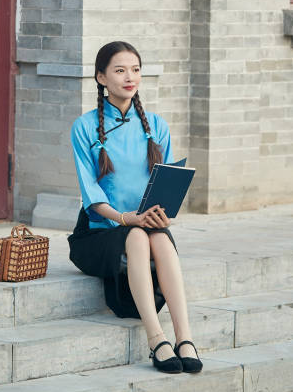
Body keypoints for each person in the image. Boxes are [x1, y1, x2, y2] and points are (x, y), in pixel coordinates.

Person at [68, 40, 202, 374]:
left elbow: (168, 184)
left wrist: (163, 213)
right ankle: (157, 339)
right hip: (99, 232)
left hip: (145, 224)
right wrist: (128, 218)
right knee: (139, 236)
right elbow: (91, 194)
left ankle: (185, 338)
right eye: (120, 70)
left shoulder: (156, 125)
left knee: (157, 235)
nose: (130, 77)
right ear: (101, 78)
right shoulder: (84, 127)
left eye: (136, 69)